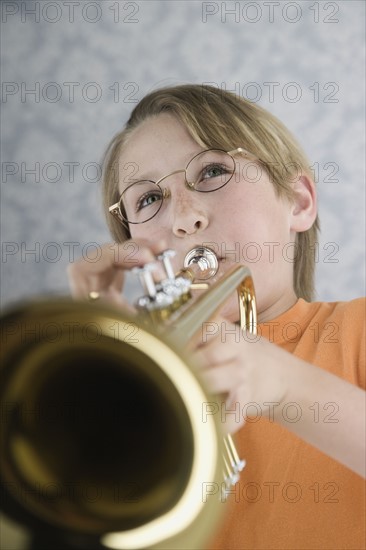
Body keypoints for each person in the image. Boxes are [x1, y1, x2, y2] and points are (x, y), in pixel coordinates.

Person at [68, 84, 365, 550]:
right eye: (148, 200)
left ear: (299, 201)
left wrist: (284, 383)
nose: (184, 218)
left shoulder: (356, 330)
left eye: (211, 170)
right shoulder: (143, 389)